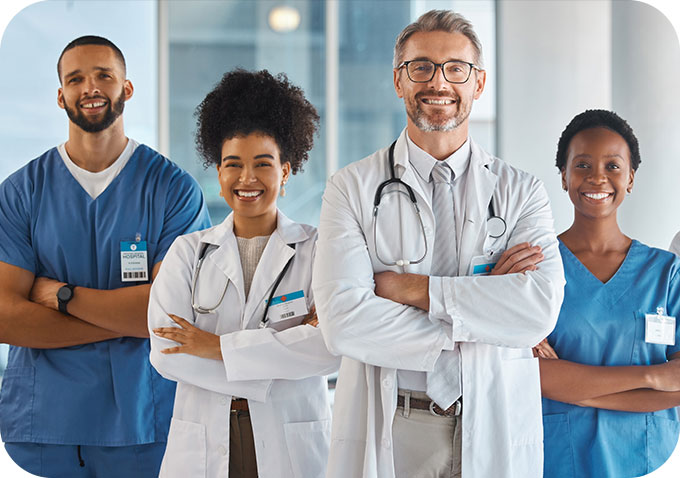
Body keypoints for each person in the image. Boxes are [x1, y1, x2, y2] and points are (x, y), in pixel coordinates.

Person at [313, 9, 565, 478]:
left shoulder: (521, 191)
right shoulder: (350, 188)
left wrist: (410, 289)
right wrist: (484, 311)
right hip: (396, 419)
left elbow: (537, 311)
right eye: (421, 66)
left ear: (479, 83)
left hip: (493, 416)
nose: (439, 82)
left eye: (456, 69)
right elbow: (343, 323)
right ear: (398, 80)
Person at [0, 36, 210, 477]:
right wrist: (121, 323)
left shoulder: (172, 189)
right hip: (46, 427)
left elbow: (166, 317)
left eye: (103, 76)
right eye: (75, 79)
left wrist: (60, 296)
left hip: (142, 421)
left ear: (126, 89)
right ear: (61, 96)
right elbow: (5, 317)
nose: (89, 87)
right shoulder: (21, 192)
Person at [148, 69, 340, 478]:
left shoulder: (319, 250)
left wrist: (214, 347)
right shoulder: (187, 253)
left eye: (263, 164)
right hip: (204, 439)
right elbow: (167, 355)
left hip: (290, 442)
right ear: (218, 173)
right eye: (232, 164)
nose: (247, 178)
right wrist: (277, 359)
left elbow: (330, 347)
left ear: (286, 172)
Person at [535, 109, 680, 478]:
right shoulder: (538, 269)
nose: (597, 176)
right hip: (556, 460)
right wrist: (652, 377)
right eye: (582, 165)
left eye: (613, 166)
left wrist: (571, 385)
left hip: (648, 462)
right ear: (564, 177)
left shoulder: (666, 272)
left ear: (630, 178)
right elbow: (533, 375)